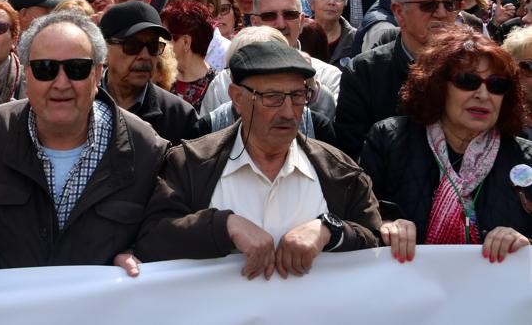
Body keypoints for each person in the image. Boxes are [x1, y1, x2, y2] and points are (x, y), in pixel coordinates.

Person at [134, 41, 382, 278]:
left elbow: (374, 239)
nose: (288, 112)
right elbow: (153, 238)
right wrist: (224, 226)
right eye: (272, 97)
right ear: (238, 98)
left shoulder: (340, 171)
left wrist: (330, 229)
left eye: (297, 96)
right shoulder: (191, 163)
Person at [0, 11, 169, 276]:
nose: (61, 83)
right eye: (45, 69)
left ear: (97, 72)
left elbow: (163, 226)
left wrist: (139, 251)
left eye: (76, 69)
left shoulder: (147, 148)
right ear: (27, 74)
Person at [361, 28, 531, 263]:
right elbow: (359, 220)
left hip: (496, 295)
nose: (483, 94)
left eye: (497, 85)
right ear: (438, 86)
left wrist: (525, 243)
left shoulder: (525, 157)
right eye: (467, 81)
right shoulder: (389, 139)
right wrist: (385, 225)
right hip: (406, 292)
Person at [335, 0, 460, 159]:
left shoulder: (477, 67)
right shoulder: (365, 72)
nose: (442, 13)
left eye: (450, 4)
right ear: (399, 12)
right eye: (429, 5)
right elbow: (351, 155)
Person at [100, 1, 203, 143]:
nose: (145, 55)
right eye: (132, 45)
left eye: (153, 46)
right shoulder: (81, 105)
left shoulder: (180, 117)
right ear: (104, 50)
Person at [161, 0, 217, 111]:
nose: (159, 42)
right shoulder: (159, 80)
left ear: (186, 42)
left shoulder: (217, 88)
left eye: (165, 36)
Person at [308, 0, 356, 66]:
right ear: (311, 2)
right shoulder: (299, 35)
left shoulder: (356, 39)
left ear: (345, 3)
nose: (331, 2)